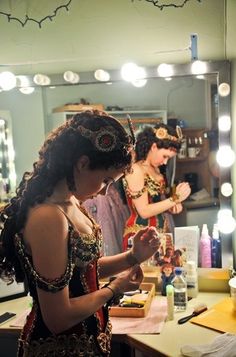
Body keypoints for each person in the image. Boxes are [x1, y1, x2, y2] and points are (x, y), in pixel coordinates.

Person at [0, 110, 161, 357]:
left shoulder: (71, 203)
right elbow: (58, 317)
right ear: (82, 163)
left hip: (88, 343)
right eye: (106, 180)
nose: (106, 192)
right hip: (59, 349)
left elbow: (84, 270)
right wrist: (115, 289)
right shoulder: (49, 217)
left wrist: (132, 257)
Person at [122, 123, 191, 252]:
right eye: (165, 156)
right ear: (153, 147)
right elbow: (144, 211)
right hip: (140, 234)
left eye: (169, 159)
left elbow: (156, 203)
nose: (165, 162)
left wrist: (172, 207)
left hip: (162, 233)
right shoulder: (136, 170)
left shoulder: (157, 170)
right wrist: (175, 199)